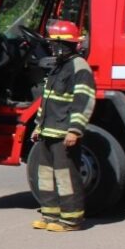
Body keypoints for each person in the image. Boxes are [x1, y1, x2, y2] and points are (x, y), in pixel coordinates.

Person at [30, 19, 95, 232]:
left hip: (63, 132)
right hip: (47, 131)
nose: (52, 48)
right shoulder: (58, 66)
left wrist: (75, 130)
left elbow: (83, 100)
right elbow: (47, 100)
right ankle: (50, 214)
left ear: (67, 44)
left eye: (56, 44)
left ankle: (71, 220)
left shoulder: (79, 66)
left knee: (66, 176)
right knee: (45, 175)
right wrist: (38, 125)